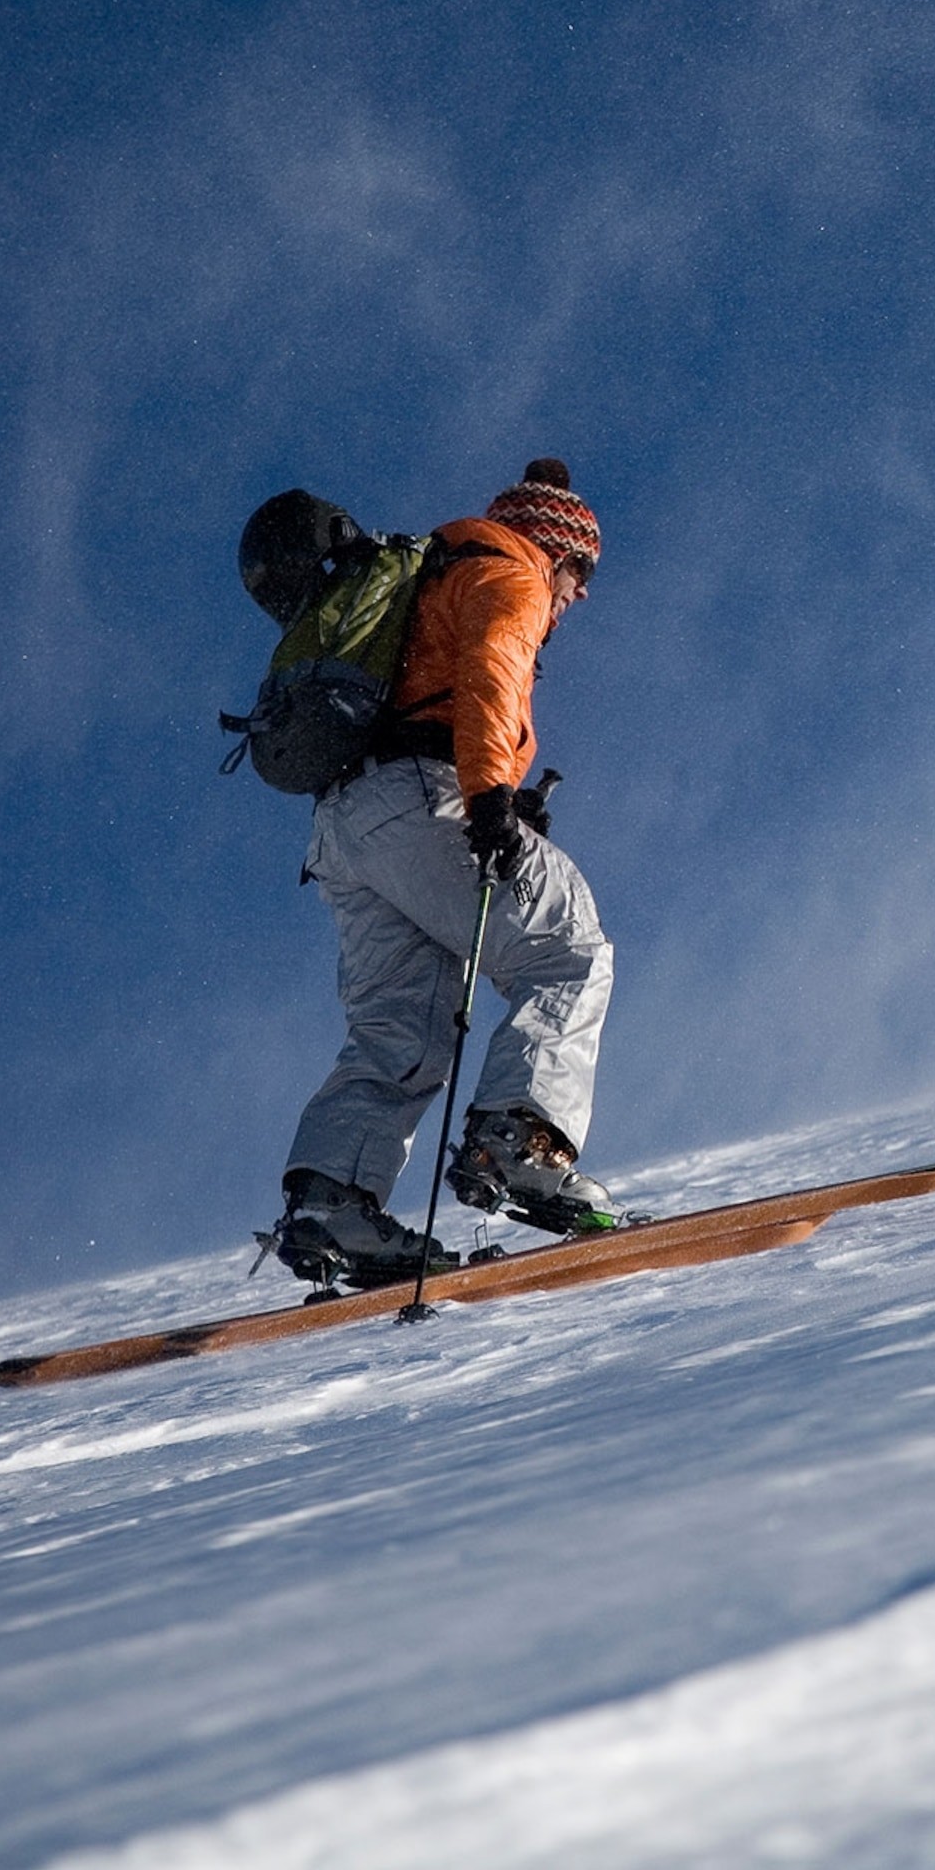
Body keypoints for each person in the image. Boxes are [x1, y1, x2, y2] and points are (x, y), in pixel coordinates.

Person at [265, 458, 621, 1288]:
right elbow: (492, 672)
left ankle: (334, 1203)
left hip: (345, 827)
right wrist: (492, 795)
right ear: (557, 550)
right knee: (566, 951)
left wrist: (493, 791)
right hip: (421, 799)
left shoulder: (435, 572)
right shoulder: (513, 571)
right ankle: (519, 1143)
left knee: (404, 1022)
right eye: (583, 573)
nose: (582, 594)